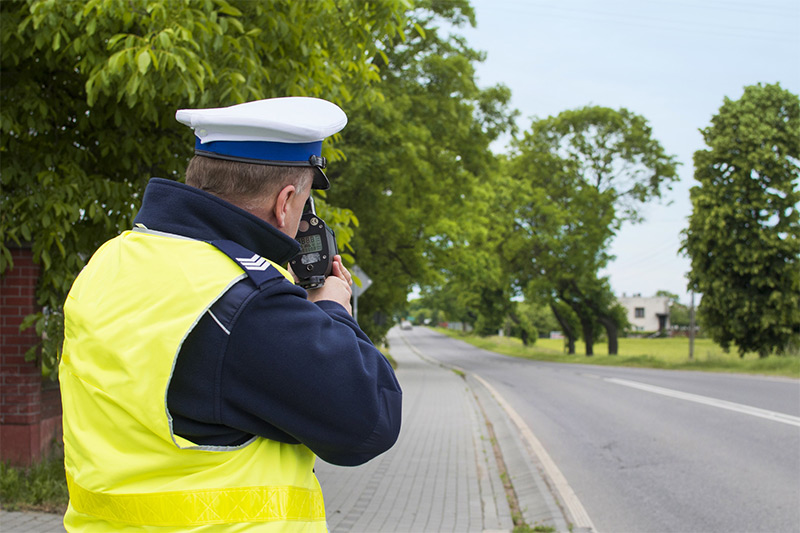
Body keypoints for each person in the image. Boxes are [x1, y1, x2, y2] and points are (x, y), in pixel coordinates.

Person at [59, 97, 402, 532]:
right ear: (286, 201)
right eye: (305, 204)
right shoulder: (243, 301)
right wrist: (332, 309)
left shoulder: (112, 260)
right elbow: (369, 421)